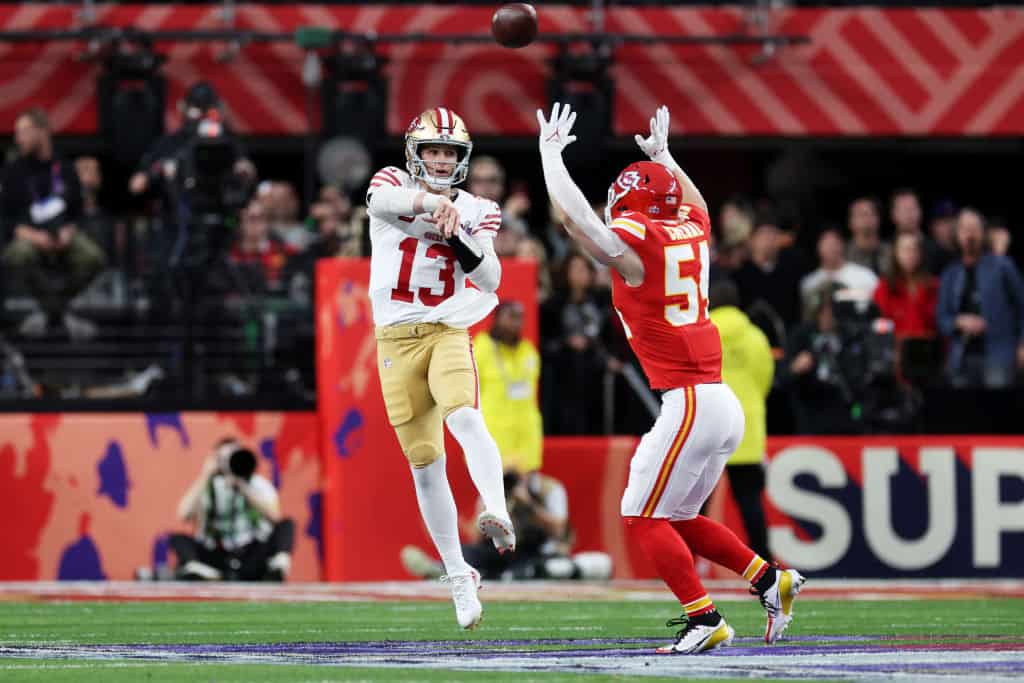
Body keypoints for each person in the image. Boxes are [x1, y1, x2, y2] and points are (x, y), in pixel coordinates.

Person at [537, 102, 804, 655]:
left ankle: (703, 617)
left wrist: (549, 158)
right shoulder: (693, 231)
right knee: (677, 515)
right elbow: (697, 203)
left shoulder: (640, 248)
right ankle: (766, 580)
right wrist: (665, 156)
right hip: (718, 400)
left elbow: (575, 221)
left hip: (688, 401)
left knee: (639, 516)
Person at [364, 107, 515, 630]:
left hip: (448, 326)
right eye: (433, 150)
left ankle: (495, 508)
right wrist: (433, 205)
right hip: (394, 337)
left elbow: (493, 278)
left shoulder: (479, 209)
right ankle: (458, 574)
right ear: (415, 153)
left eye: (450, 152)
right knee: (425, 463)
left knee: (464, 416)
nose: (441, 159)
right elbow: (380, 201)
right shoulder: (392, 183)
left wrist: (455, 232)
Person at [1, 108, 106, 339]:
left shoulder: (65, 168)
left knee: (93, 257)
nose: (18, 138)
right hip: (29, 237)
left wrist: (69, 231)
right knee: (17, 255)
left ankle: (49, 311)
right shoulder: (13, 171)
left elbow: (77, 213)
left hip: (63, 235)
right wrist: (32, 236)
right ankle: (58, 313)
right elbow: (6, 218)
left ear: (42, 132)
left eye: (24, 131)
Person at [401, 467, 611, 582]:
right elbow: (476, 537)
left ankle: (468, 574)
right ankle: (444, 570)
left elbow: (560, 531)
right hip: (502, 552)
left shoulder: (550, 489)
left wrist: (528, 505)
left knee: (549, 567)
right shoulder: (494, 491)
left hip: (535, 552)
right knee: (467, 553)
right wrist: (491, 512)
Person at [708, 279, 774, 562]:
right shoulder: (755, 336)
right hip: (746, 425)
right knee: (750, 504)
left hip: (709, 423)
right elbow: (765, 378)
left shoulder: (703, 332)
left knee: (693, 507)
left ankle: (685, 560)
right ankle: (764, 563)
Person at [170, 439, 294, 581]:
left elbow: (275, 518)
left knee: (287, 525)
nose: (228, 463)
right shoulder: (206, 486)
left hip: (250, 553)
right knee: (178, 539)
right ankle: (199, 570)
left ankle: (277, 568)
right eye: (223, 458)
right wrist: (205, 475)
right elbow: (183, 514)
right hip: (216, 554)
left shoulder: (256, 483)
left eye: (233, 457)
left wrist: (243, 487)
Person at [936, 207, 1024, 388]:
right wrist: (959, 322)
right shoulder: (950, 274)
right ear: (957, 235)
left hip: (999, 352)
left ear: (983, 233)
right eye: (964, 229)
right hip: (961, 356)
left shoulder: (1002, 267)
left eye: (974, 229)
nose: (970, 235)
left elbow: (1022, 307)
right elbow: (942, 318)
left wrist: (1022, 345)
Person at [472, 301, 543, 473]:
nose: (516, 323)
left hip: (526, 443)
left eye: (520, 318)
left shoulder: (529, 351)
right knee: (495, 498)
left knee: (549, 495)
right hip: (494, 441)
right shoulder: (480, 349)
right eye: (511, 317)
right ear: (497, 318)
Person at [873, 232, 938, 341]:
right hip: (894, 350)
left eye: (914, 250)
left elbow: (940, 324)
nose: (909, 254)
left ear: (920, 254)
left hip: (928, 349)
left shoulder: (933, 286)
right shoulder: (884, 287)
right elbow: (877, 324)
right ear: (895, 254)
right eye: (904, 250)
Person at [799, 228, 878, 312]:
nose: (831, 248)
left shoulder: (865, 276)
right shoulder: (809, 283)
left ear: (842, 245)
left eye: (834, 243)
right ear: (818, 247)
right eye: (826, 244)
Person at [845, 197, 890, 275]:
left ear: (878, 219)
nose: (867, 218)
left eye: (871, 214)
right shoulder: (843, 255)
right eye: (861, 215)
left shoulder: (891, 252)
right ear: (850, 222)